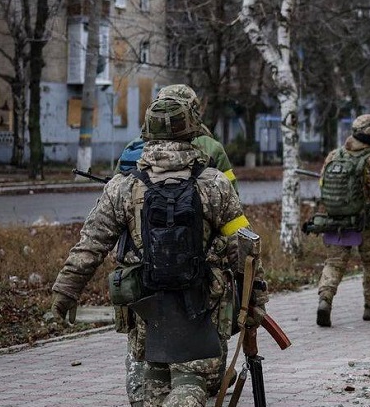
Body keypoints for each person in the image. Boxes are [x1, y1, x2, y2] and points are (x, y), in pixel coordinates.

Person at [50, 90, 268, 407]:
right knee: (191, 384)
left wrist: (65, 293)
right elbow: (245, 249)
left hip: (145, 310)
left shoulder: (122, 186)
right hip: (202, 308)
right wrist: (255, 303)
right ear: (193, 130)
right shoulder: (214, 184)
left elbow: (90, 246)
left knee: (150, 391)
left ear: (147, 133)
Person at [113, 84, 238, 404]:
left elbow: (111, 216)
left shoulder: (132, 151)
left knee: (145, 357)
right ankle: (199, 377)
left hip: (142, 281)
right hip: (198, 282)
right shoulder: (211, 152)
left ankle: (146, 387)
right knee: (195, 368)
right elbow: (235, 218)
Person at [315, 114, 370, 327]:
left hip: (337, 221)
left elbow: (323, 188)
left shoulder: (334, 155)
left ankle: (325, 300)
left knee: (334, 262)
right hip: (367, 224)